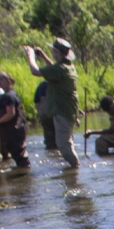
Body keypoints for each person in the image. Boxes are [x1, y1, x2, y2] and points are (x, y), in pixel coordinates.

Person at [24, 39, 80, 169]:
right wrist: (43, 56)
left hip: (62, 111)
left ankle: (75, 170)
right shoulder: (68, 67)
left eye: (53, 51)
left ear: (58, 54)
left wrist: (30, 56)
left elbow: (35, 71)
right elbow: (53, 68)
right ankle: (75, 168)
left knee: (63, 145)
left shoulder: (60, 69)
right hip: (68, 110)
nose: (52, 53)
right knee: (67, 144)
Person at [0, 72, 30, 171]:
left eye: (2, 79)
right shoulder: (10, 93)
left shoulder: (9, 96)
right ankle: (24, 171)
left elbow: (10, 114)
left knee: (18, 153)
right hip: (18, 127)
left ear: (8, 81)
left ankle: (25, 174)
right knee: (18, 152)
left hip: (14, 129)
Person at [34, 79, 56, 151]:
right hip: (58, 113)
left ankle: (51, 151)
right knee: (62, 139)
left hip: (45, 113)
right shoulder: (60, 84)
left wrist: (39, 112)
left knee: (49, 139)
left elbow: (36, 101)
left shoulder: (41, 85)